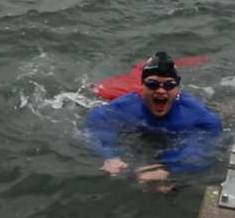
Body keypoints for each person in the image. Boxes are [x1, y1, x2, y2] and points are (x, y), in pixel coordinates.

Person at [85, 51, 223, 186]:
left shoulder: (196, 116)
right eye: (152, 84)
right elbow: (98, 123)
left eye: (169, 85)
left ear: (177, 89)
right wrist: (111, 156)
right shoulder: (126, 106)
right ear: (142, 87)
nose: (161, 90)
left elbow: (203, 148)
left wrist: (170, 168)